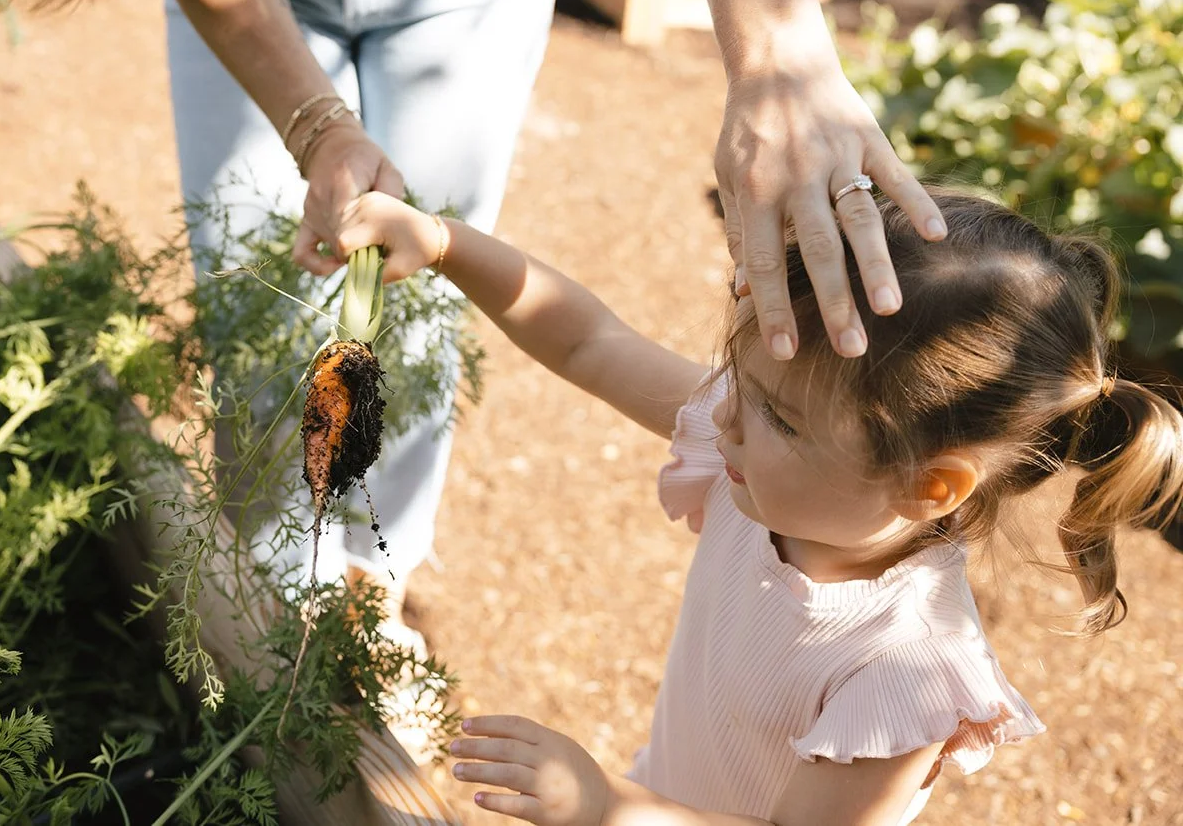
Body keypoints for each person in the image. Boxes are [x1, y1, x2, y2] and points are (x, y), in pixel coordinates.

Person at [18, 0, 946, 611]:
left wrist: (778, 54)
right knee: (260, 306)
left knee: (416, 318)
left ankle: (373, 579)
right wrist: (319, 125)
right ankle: (271, 604)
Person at [330, 183, 1183, 824]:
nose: (725, 414)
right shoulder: (769, 470)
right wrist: (444, 243)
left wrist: (607, 804)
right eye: (743, 378)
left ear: (929, 484)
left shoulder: (908, 670)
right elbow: (591, 339)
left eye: (778, 413)